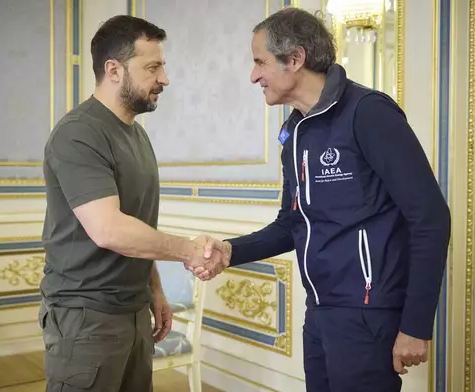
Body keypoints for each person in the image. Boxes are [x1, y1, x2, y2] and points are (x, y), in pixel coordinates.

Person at [191, 7, 451, 392]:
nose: (253, 76)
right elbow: (291, 224)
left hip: (368, 313)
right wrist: (230, 250)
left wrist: (415, 325)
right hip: (320, 313)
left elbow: (430, 218)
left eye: (260, 62)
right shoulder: (293, 133)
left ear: (295, 58)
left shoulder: (368, 113)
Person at [39, 15, 228, 392]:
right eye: (152, 67)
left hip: (133, 310)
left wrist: (153, 290)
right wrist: (189, 250)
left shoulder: (136, 135)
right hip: (85, 318)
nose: (164, 78)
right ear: (113, 70)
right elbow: (109, 229)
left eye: (163, 66)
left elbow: (136, 223)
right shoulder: (79, 133)